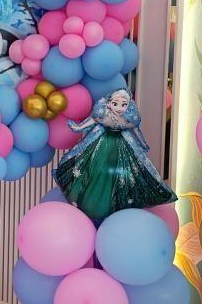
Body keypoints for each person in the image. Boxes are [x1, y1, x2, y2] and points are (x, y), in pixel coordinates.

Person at [54, 88, 177, 222]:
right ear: (108, 103)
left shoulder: (127, 120)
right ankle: (94, 204)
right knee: (95, 171)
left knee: (122, 175)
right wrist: (78, 128)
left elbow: (135, 130)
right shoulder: (104, 115)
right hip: (101, 144)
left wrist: (142, 143)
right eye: (115, 104)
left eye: (124, 104)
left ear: (128, 105)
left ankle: (114, 204)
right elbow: (92, 120)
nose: (119, 108)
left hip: (121, 146)